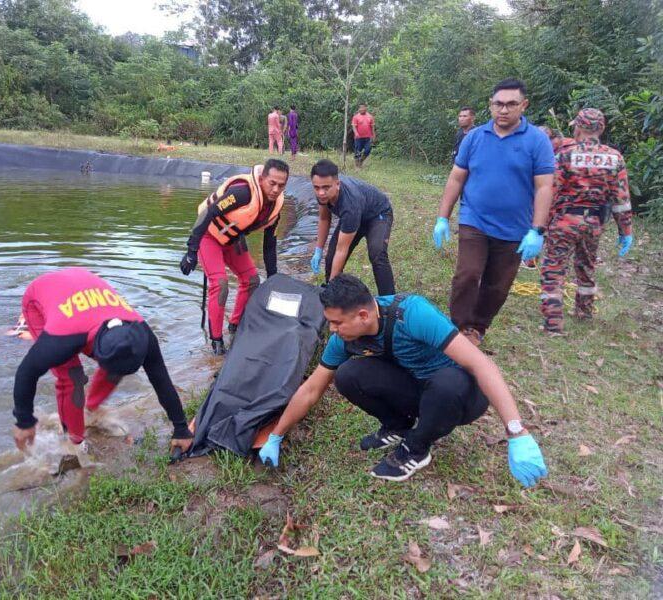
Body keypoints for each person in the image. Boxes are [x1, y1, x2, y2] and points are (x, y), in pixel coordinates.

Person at [257, 274, 547, 487]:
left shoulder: (412, 314)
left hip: (462, 395)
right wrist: (276, 436)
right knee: (348, 375)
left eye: (337, 323)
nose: (332, 331)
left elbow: (481, 364)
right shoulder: (345, 339)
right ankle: (398, 426)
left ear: (362, 315)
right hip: (420, 390)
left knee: (447, 382)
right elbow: (311, 389)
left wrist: (516, 432)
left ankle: (417, 448)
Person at [11, 267, 192, 453]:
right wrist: (24, 422)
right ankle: (73, 444)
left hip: (82, 284)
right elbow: (26, 372)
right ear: (95, 352)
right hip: (41, 296)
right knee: (72, 377)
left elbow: (161, 380)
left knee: (117, 362)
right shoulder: (61, 338)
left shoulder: (142, 334)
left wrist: (181, 429)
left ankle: (90, 410)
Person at [433, 78, 555, 346]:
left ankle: (477, 326)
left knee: (497, 285)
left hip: (515, 227)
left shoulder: (537, 141)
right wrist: (443, 217)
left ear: (524, 105)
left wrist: (537, 230)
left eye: (511, 104)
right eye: (498, 104)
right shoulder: (475, 137)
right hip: (474, 219)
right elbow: (456, 178)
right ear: (490, 105)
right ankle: (458, 328)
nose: (504, 110)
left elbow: (545, 187)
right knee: (467, 274)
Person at [179, 159, 289, 355]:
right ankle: (216, 342)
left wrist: (273, 278)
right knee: (220, 284)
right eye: (272, 183)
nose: (275, 189)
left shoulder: (275, 208)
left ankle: (235, 327)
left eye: (281, 185)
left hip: (232, 239)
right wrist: (191, 251)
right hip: (209, 236)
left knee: (252, 280)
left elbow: (269, 245)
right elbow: (208, 213)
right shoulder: (242, 193)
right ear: (262, 178)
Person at [540, 108, 633, 334]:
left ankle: (553, 324)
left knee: (554, 269)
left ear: (578, 127)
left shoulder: (564, 154)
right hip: (593, 222)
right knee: (586, 267)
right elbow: (621, 199)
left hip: (565, 219)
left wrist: (541, 225)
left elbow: (551, 191)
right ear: (601, 128)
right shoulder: (614, 157)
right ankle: (584, 312)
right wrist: (626, 230)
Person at [309, 159, 395, 296]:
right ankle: (333, 298)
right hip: (357, 214)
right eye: (316, 187)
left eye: (326, 187)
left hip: (377, 214)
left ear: (337, 184)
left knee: (377, 254)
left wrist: (332, 284)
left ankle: (389, 301)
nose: (320, 193)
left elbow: (342, 249)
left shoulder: (350, 204)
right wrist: (318, 249)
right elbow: (324, 218)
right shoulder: (323, 193)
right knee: (330, 259)